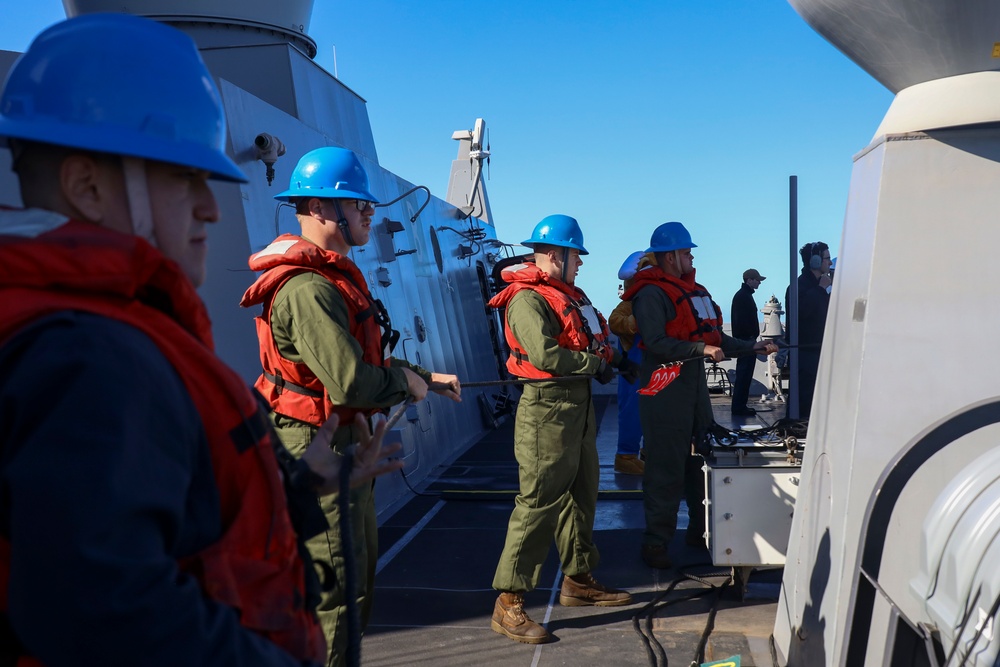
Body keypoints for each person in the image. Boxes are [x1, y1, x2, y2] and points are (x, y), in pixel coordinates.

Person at [0, 14, 402, 666]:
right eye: (184, 179)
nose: (210, 207)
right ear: (89, 185)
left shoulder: (93, 334)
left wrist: (301, 485)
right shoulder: (88, 360)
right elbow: (111, 616)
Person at [239, 145, 462, 667]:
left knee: (356, 579)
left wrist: (426, 377)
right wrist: (406, 383)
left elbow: (361, 366)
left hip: (338, 446)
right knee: (335, 595)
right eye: (357, 203)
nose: (369, 212)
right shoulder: (307, 290)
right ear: (320, 210)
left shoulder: (327, 282)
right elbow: (349, 382)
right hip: (317, 449)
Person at [488, 215, 636, 644]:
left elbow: (590, 341)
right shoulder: (527, 301)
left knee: (581, 494)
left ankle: (577, 580)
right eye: (577, 256)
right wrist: (599, 365)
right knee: (537, 503)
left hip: (579, 407)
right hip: (546, 411)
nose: (581, 265)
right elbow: (546, 355)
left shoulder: (570, 295)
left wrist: (615, 359)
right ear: (556, 255)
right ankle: (508, 600)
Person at [621, 222, 777, 569]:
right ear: (670, 256)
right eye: (686, 251)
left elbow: (716, 340)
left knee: (699, 461)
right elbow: (658, 342)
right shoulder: (650, 295)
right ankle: (656, 543)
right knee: (665, 466)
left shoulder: (693, 292)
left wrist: (752, 347)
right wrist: (700, 349)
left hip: (693, 390)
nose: (691, 256)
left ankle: (699, 530)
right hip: (664, 388)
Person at [608, 251, 655, 475]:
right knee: (632, 412)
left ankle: (649, 450)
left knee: (655, 412)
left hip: (655, 367)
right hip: (633, 369)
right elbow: (615, 322)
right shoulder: (631, 303)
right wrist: (636, 321)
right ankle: (626, 455)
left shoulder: (657, 300)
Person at [786, 242, 832, 419]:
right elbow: (803, 312)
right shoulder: (798, 287)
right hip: (805, 354)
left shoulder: (818, 287)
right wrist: (820, 289)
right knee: (804, 400)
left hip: (818, 351)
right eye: (827, 258)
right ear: (814, 261)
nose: (829, 263)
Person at [730, 268, 766, 416]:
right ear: (749, 280)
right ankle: (739, 407)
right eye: (757, 280)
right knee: (744, 376)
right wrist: (749, 339)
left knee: (744, 376)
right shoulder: (743, 297)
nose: (759, 283)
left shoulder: (743, 296)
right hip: (746, 342)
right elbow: (742, 321)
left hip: (746, 341)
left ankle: (740, 406)